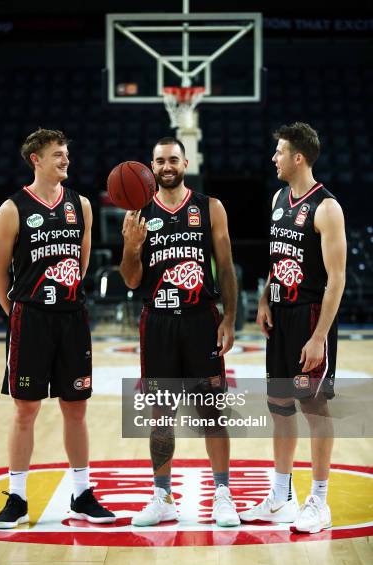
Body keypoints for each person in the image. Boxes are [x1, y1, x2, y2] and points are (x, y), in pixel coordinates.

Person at [0, 128, 115, 529]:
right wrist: (17, 313)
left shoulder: (82, 206)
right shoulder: (12, 209)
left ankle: (81, 493)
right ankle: (18, 497)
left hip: (71, 316)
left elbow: (82, 262)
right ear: (36, 159)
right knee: (25, 410)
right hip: (30, 317)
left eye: (66, 154)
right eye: (57, 154)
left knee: (75, 407)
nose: (65, 160)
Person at [120, 136, 240, 527]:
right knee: (161, 414)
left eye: (173, 159)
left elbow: (225, 266)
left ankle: (223, 494)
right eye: (159, 161)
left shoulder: (210, 208)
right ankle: (162, 496)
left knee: (211, 412)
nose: (166, 166)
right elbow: (132, 280)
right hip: (157, 322)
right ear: (150, 168)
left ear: (185, 163)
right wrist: (131, 248)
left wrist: (229, 318)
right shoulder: (138, 212)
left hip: (201, 318)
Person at [239, 122, 346, 533]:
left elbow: (336, 278)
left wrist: (319, 336)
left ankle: (319, 501)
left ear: (298, 157)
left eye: (280, 152)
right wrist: (266, 297)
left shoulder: (327, 208)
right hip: (281, 318)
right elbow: (279, 257)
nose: (274, 158)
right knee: (280, 407)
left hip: (309, 317)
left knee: (314, 407)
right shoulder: (278, 198)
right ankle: (281, 496)